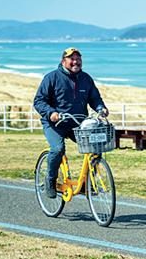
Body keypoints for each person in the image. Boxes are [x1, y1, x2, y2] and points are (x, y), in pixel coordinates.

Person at [34, 47, 109, 198]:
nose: (76, 62)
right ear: (63, 61)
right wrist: (51, 113)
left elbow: (94, 98)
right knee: (58, 149)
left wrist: (101, 107)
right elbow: (39, 101)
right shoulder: (52, 77)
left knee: (95, 147)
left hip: (78, 124)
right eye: (72, 59)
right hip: (55, 124)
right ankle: (50, 181)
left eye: (78, 59)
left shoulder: (86, 78)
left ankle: (86, 184)